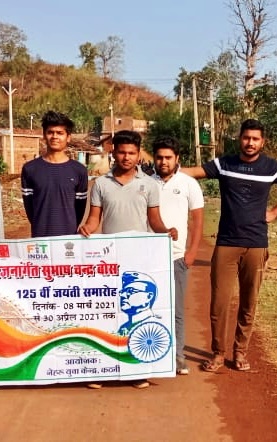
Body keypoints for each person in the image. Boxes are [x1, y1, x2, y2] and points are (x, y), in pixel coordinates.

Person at [181, 119, 277, 373]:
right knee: (219, 302)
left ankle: (240, 352)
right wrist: (166, 166)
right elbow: (193, 172)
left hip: (256, 244)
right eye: (246, 138)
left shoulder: (272, 167)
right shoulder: (225, 164)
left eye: (255, 139)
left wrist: (274, 212)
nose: (250, 143)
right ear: (240, 139)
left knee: (249, 302)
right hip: (226, 243)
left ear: (262, 142)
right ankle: (218, 353)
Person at [79, 129, 177, 389]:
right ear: (114, 153)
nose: (126, 157)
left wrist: (166, 231)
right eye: (122, 152)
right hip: (110, 260)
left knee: (134, 315)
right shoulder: (101, 184)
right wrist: (87, 228)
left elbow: (154, 220)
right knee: (108, 313)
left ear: (138, 154)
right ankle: (103, 370)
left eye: (131, 153)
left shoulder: (149, 185)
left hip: (138, 259)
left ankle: (136, 370)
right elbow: (94, 219)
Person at [151, 136, 204, 375]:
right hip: (149, 256)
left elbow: (198, 221)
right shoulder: (146, 182)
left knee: (176, 310)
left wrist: (191, 253)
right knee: (150, 307)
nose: (163, 162)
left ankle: (178, 357)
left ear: (177, 159)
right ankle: (151, 356)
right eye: (159, 157)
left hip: (176, 256)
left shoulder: (189, 183)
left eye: (168, 158)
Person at [21, 111, 88, 237]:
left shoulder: (79, 170)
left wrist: (70, 226)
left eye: (60, 133)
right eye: (50, 132)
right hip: (40, 239)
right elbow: (29, 208)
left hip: (68, 239)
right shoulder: (30, 169)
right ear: (44, 135)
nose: (55, 136)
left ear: (68, 137)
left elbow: (80, 208)